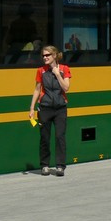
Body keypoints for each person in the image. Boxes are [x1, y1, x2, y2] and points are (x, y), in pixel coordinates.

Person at [28, 45, 71, 176]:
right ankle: (45, 165)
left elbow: (66, 88)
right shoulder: (41, 71)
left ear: (54, 56)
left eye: (47, 55)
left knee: (60, 137)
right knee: (44, 138)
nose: (45, 57)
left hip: (60, 109)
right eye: (43, 55)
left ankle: (60, 166)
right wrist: (31, 108)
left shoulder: (64, 69)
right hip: (45, 108)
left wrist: (57, 74)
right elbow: (37, 89)